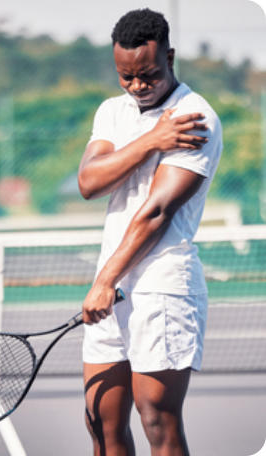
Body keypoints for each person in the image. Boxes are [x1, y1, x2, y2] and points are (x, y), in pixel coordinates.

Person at [78, 8, 222, 456]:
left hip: (162, 285)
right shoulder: (112, 112)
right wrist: (150, 141)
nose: (139, 86)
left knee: (156, 418)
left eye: (149, 75)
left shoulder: (195, 117)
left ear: (170, 57)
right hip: (111, 286)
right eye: (127, 77)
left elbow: (156, 211)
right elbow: (89, 182)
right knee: (100, 421)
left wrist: (104, 281)